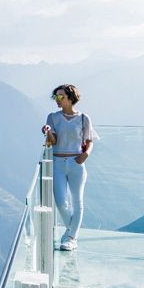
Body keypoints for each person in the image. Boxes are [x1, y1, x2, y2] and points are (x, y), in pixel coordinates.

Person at [41, 84, 98, 251]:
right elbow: (53, 141)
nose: (57, 100)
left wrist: (86, 155)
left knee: (77, 201)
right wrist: (48, 132)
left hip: (76, 163)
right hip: (57, 163)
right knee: (60, 202)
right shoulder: (52, 117)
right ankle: (71, 234)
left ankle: (71, 238)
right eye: (56, 97)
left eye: (61, 97)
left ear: (70, 97)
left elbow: (89, 142)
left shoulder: (83, 118)